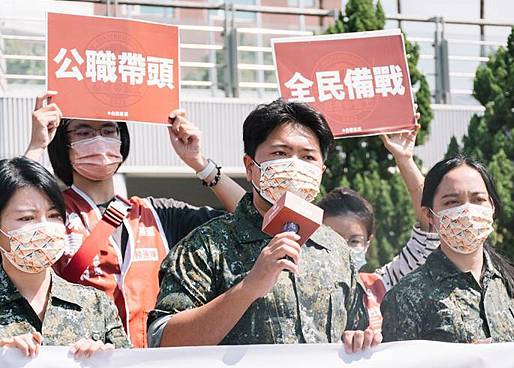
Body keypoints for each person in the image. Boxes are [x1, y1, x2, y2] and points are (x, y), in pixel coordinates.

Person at [148, 100, 380, 353]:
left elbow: (357, 330)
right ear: (250, 167)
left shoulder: (334, 248)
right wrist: (248, 288)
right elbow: (163, 340)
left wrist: (361, 339)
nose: (294, 166)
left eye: (308, 157)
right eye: (280, 153)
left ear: (321, 171)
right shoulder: (207, 245)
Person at [23, 91, 246, 347]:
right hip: (83, 357)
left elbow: (250, 217)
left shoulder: (157, 214)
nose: (98, 140)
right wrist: (37, 147)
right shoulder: (51, 214)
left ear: (122, 140)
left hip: (152, 359)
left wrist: (199, 163)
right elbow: (9, 216)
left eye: (109, 131)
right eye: (83, 132)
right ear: (64, 144)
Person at [381, 155, 514, 343]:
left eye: (478, 199)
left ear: (492, 207)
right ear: (429, 214)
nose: (467, 211)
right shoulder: (405, 297)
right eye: (452, 202)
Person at [0, 157, 130, 359]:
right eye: (26, 218)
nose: (44, 227)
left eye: (54, 216)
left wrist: (107, 358)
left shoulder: (95, 305)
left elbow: (131, 363)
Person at [317, 123, 439, 332]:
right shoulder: (297, 290)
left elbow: (431, 227)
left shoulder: (381, 284)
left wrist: (404, 159)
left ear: (368, 242)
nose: (343, 249)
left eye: (353, 241)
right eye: (333, 239)